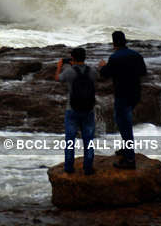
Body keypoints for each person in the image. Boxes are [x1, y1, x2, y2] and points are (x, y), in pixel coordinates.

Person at [99, 30, 147, 169]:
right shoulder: (136, 55)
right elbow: (143, 72)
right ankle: (127, 150)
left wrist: (102, 66)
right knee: (125, 123)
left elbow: (105, 74)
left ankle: (130, 159)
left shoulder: (114, 57)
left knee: (124, 126)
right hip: (135, 94)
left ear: (114, 43)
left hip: (122, 95)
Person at [55, 47, 98, 175]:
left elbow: (58, 78)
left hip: (72, 109)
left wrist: (59, 66)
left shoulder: (69, 71)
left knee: (70, 140)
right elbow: (99, 77)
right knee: (88, 140)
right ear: (85, 57)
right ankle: (88, 168)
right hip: (89, 109)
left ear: (72, 58)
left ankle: (69, 167)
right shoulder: (93, 71)